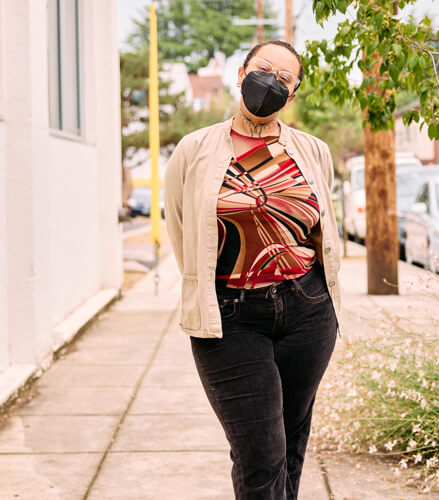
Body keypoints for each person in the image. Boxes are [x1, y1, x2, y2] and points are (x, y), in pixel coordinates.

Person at [164, 40, 341, 500]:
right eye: (264, 69)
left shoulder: (313, 151)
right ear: (241, 72)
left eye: (285, 79)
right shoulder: (194, 149)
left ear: (294, 94)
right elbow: (182, 228)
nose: (271, 83)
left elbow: (319, 227)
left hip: (307, 308)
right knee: (260, 452)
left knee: (291, 440)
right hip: (231, 316)